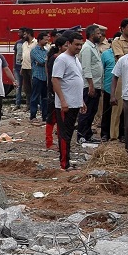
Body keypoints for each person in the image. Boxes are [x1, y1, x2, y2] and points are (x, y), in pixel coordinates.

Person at [52, 32, 85, 170]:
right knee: (64, 134)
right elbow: (55, 80)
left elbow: (76, 80)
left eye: (80, 45)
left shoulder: (75, 59)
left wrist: (81, 101)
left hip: (75, 103)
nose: (78, 47)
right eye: (76, 44)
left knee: (69, 133)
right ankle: (64, 164)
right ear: (69, 44)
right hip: (66, 105)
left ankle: (67, 161)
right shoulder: (62, 59)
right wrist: (63, 101)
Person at [77, 24, 104, 143]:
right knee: (86, 111)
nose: (100, 35)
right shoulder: (87, 48)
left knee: (92, 111)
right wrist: (91, 86)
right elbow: (86, 68)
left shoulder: (94, 47)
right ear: (92, 35)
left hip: (96, 84)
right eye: (98, 33)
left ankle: (88, 134)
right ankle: (81, 136)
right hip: (89, 86)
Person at [110, 19, 128, 140]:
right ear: (122, 29)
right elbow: (121, 58)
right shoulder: (117, 42)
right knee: (118, 107)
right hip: (121, 76)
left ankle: (127, 135)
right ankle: (113, 136)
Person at [45, 35, 70, 150]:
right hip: (55, 93)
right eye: (66, 45)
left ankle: (60, 140)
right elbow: (53, 79)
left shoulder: (63, 58)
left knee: (59, 118)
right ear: (60, 47)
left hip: (60, 93)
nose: (68, 47)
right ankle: (49, 142)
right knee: (53, 118)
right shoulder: (56, 59)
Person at [99, 41, 117, 141]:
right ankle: (105, 133)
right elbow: (101, 70)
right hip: (108, 87)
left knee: (120, 113)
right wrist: (101, 85)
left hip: (121, 89)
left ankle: (119, 133)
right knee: (107, 111)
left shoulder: (125, 54)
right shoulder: (106, 54)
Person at [29, 32, 49, 123]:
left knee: (45, 98)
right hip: (37, 76)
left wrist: (44, 62)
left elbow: (46, 61)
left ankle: (45, 116)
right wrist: (44, 62)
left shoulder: (46, 51)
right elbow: (42, 61)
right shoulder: (34, 50)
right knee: (35, 97)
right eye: (45, 39)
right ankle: (33, 116)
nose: (47, 41)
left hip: (45, 77)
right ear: (40, 40)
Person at [20, 28, 36, 109]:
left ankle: (35, 105)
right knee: (27, 88)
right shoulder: (24, 44)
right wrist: (22, 68)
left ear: (29, 34)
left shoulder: (36, 43)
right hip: (25, 68)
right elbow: (23, 57)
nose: (23, 35)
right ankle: (28, 105)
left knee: (34, 87)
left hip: (33, 69)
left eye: (25, 34)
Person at [13, 28, 25, 107]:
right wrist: (14, 66)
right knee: (18, 86)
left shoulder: (28, 44)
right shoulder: (17, 43)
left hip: (25, 68)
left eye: (19, 32)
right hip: (17, 67)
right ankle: (18, 103)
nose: (18, 34)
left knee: (28, 86)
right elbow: (15, 54)